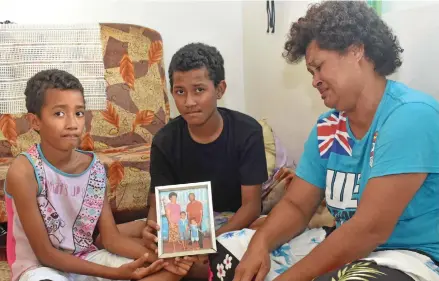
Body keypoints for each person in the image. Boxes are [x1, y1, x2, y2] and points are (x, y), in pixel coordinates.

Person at [209, 2, 439, 281]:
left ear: (356, 50)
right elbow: (297, 206)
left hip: (407, 255)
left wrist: (289, 279)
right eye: (310, 73)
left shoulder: (410, 116)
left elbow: (369, 229)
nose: (315, 81)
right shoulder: (329, 126)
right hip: (344, 244)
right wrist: (260, 243)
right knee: (227, 248)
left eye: (319, 67)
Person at [5, 69, 193, 281]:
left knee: (166, 271)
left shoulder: (93, 168)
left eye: (78, 113)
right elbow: (45, 254)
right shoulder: (24, 171)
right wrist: (115, 274)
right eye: (59, 113)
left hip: (87, 258)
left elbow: (111, 238)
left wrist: (162, 258)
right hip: (40, 269)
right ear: (35, 121)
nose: (72, 123)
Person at [119, 43, 269, 278]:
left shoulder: (247, 131)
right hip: (184, 226)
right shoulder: (164, 140)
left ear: (220, 90)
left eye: (199, 90)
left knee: (265, 231)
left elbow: (251, 206)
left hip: (232, 221)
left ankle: (193, 268)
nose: (189, 102)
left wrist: (212, 243)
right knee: (113, 236)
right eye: (180, 92)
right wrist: (153, 228)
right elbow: (156, 206)